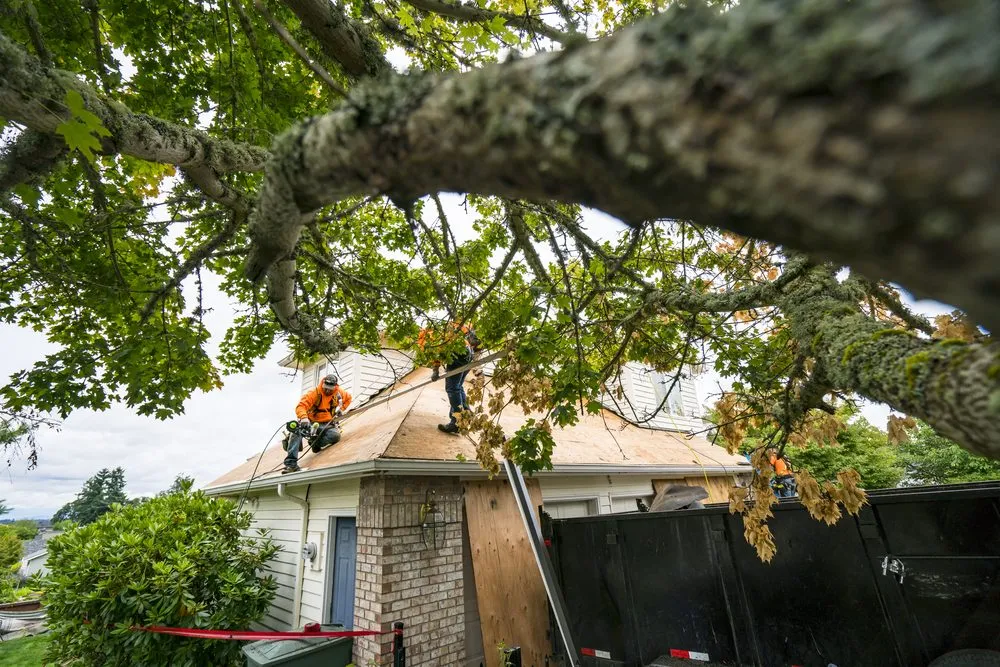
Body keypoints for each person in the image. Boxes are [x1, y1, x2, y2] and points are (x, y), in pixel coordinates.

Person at [418, 321, 479, 434]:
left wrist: (435, 370)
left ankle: (456, 423)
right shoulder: (443, 327)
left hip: (458, 356)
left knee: (452, 388)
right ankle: (466, 413)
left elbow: (435, 353)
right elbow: (468, 329)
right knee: (458, 387)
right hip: (468, 353)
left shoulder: (424, 337)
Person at [283, 374, 352, 473]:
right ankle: (291, 464)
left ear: (335, 387)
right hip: (311, 422)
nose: (327, 391)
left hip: (327, 423)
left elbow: (349, 398)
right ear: (323, 384)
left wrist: (341, 409)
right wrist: (304, 418)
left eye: (330, 389)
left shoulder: (339, 393)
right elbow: (300, 406)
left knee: (335, 436)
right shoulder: (314, 393)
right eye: (326, 389)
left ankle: (315, 443)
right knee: (296, 432)